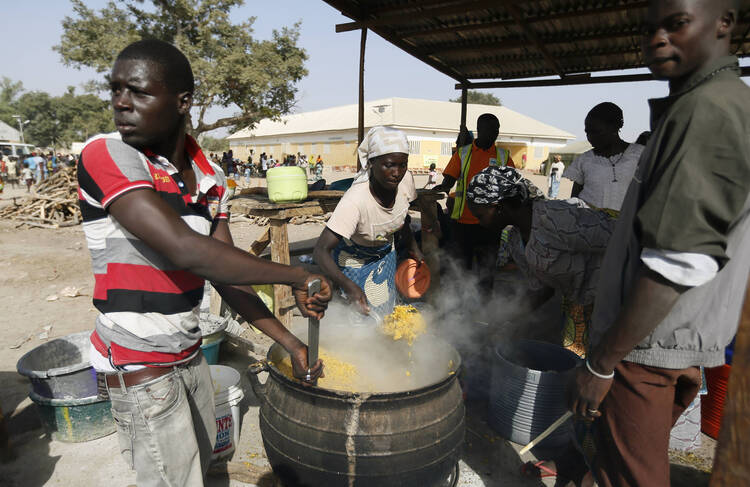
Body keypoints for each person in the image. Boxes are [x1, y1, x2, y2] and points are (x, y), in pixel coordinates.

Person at [78, 39, 331, 486]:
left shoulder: (211, 179)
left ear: (182, 102)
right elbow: (186, 249)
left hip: (190, 358)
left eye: (137, 92)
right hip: (143, 366)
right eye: (115, 90)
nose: (121, 103)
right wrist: (297, 273)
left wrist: (291, 343)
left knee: (203, 470)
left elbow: (225, 274)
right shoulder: (109, 153)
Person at [569, 2, 750, 486]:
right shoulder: (715, 104)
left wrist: (603, 362)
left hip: (646, 347)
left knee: (633, 476)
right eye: (649, 29)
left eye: (676, 24)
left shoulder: (706, 110)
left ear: (724, 23)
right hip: (676, 337)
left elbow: (679, 260)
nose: (657, 39)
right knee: (613, 464)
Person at [467, 166, 615, 357]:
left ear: (499, 206)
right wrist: (503, 321)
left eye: (480, 215)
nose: (480, 223)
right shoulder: (515, 240)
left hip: (613, 303)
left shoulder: (557, 217)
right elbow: (542, 288)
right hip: (580, 306)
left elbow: (620, 238)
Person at [313, 126, 424, 318]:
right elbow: (320, 251)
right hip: (353, 260)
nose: (397, 172)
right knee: (357, 317)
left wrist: (414, 246)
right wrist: (348, 286)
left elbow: (402, 217)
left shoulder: (405, 182)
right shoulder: (355, 201)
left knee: (384, 311)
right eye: (389, 165)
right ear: (371, 162)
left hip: (384, 256)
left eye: (403, 164)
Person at [433, 113, 515, 294]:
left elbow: (512, 186)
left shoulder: (503, 156)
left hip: (491, 224)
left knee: (487, 271)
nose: (494, 133)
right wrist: (434, 191)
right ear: (479, 130)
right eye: (490, 129)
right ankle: (460, 307)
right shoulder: (463, 153)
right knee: (461, 270)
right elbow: (447, 182)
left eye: (497, 129)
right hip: (463, 223)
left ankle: (483, 310)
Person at [563, 103, 644, 213]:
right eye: (587, 132)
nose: (590, 137)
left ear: (614, 127)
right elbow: (575, 201)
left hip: (627, 226)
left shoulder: (641, 155)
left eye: (596, 132)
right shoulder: (584, 160)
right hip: (589, 225)